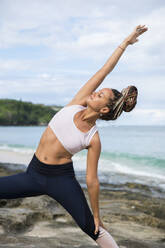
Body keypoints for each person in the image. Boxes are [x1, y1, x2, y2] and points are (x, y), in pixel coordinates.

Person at [0, 24, 148, 247]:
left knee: (92, 228)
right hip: (33, 173)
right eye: (99, 90)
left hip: (61, 179)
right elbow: (103, 70)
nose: (95, 91)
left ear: (104, 110)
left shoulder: (93, 138)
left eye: (100, 95)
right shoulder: (76, 104)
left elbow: (92, 180)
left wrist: (97, 215)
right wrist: (125, 44)